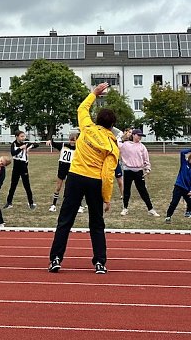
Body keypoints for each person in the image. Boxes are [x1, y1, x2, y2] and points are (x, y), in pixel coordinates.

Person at [49, 82, 118, 274]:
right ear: (112, 126)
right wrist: (106, 197)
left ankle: (55, 259)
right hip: (95, 182)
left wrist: (94, 93)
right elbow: (108, 174)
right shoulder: (112, 145)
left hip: (76, 178)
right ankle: (100, 262)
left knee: (65, 220)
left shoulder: (86, 128)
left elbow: (82, 108)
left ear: (97, 120)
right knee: (96, 223)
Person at [119, 129, 159, 217]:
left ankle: (150, 209)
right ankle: (125, 208)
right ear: (133, 135)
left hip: (138, 171)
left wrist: (147, 169)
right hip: (128, 170)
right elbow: (116, 143)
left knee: (143, 191)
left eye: (141, 136)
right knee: (126, 190)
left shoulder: (142, 147)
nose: (140, 137)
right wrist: (123, 135)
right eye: (138, 135)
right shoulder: (125, 145)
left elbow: (146, 159)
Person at [165, 148, 191, 224]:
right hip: (178, 187)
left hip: (187, 190)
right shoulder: (184, 164)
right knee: (174, 203)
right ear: (190, 160)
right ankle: (168, 216)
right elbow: (182, 152)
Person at [6, 131, 39, 209]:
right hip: (16, 167)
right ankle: (9, 202)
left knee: (27, 185)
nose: (23, 138)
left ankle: (31, 203)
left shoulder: (26, 144)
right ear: (17, 136)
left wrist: (30, 147)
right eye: (21, 136)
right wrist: (21, 148)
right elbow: (13, 153)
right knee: (13, 185)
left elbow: (36, 145)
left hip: (24, 167)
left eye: (24, 136)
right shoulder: (13, 144)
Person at [46, 131, 78, 212]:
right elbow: (53, 143)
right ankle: (53, 205)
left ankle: (79, 205)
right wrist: (50, 141)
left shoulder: (78, 148)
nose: (72, 142)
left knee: (73, 187)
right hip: (62, 167)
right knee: (58, 187)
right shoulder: (63, 145)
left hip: (72, 169)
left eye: (74, 140)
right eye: (71, 140)